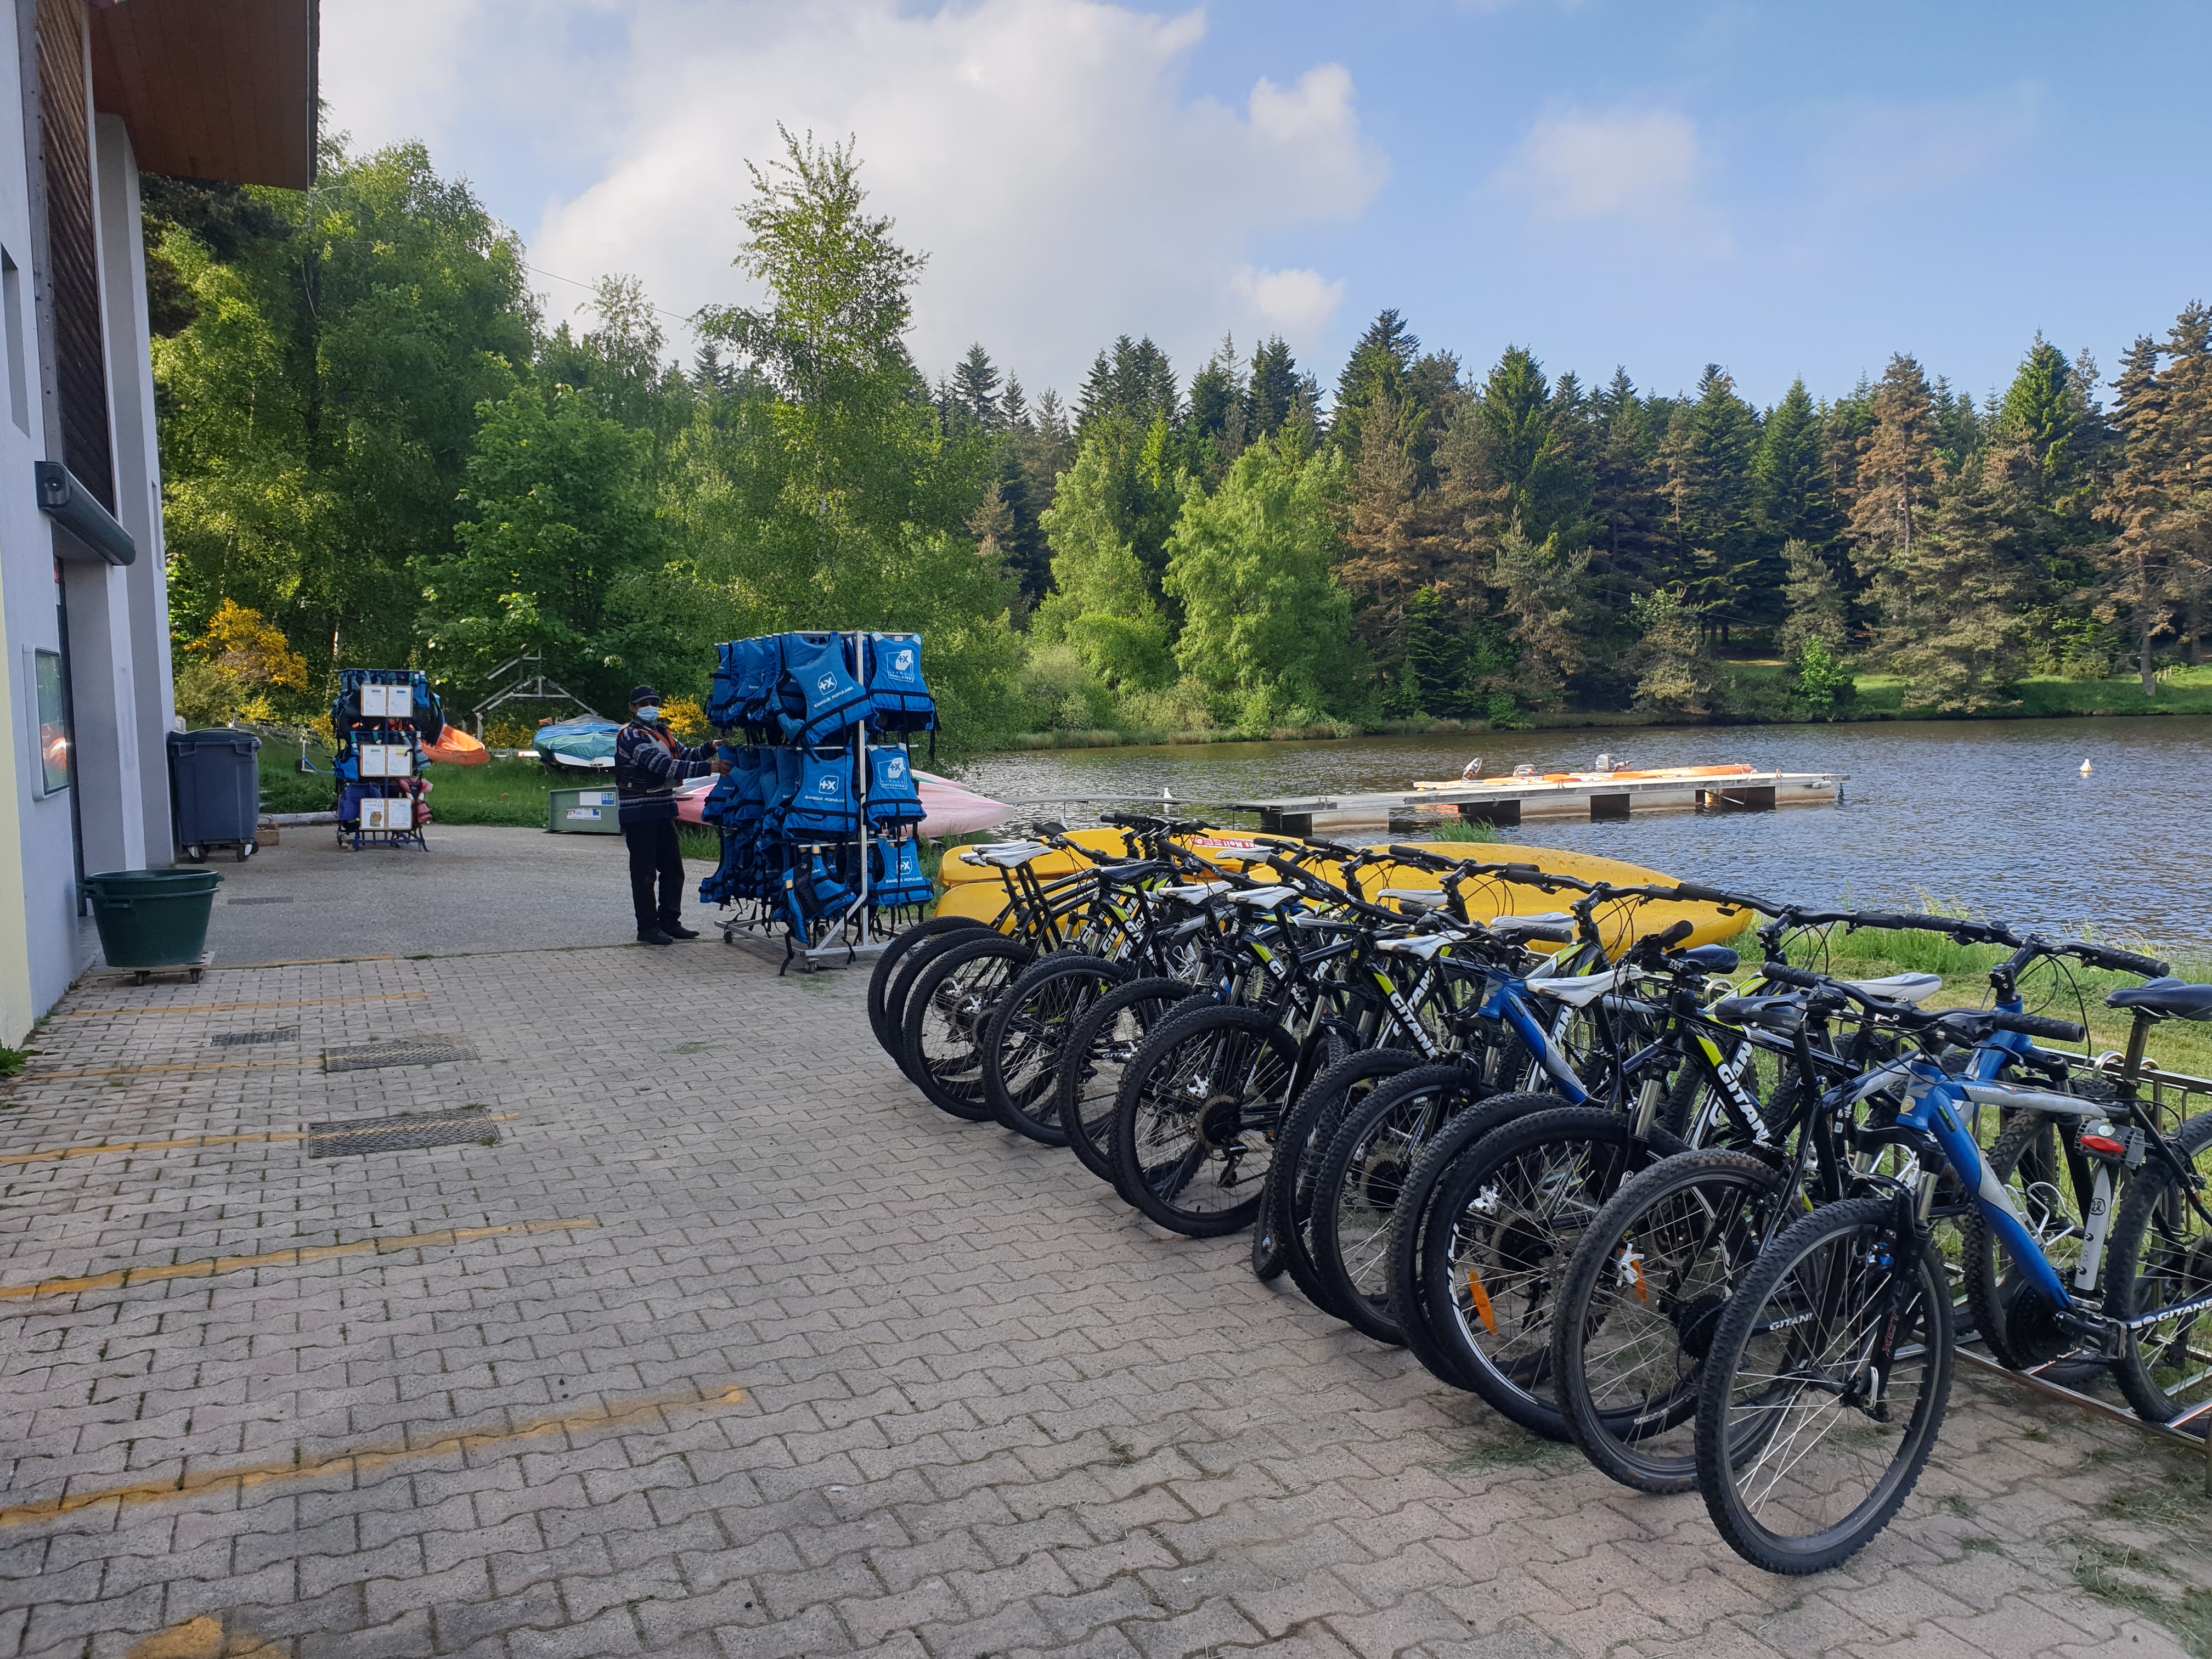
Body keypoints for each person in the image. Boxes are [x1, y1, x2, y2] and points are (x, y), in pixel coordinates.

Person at [614, 686, 727, 945]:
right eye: (645, 703)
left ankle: (670, 922)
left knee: (673, 870)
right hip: (640, 813)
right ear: (633, 708)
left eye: (654, 702)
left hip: (664, 809)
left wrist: (711, 747)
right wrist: (710, 768)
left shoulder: (663, 733)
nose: (651, 707)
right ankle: (647, 927)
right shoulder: (630, 736)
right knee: (644, 874)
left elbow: (685, 756)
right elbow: (663, 766)